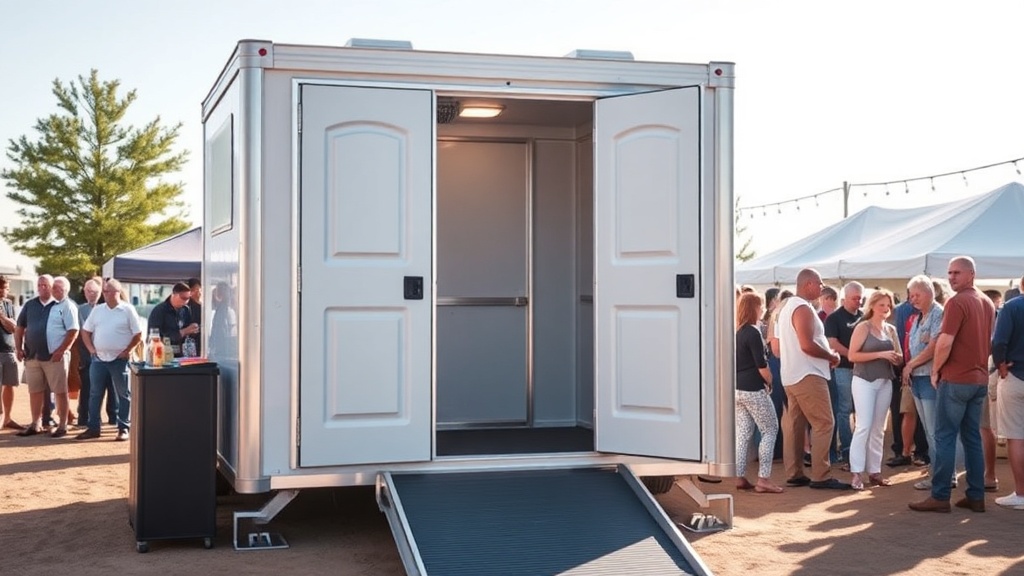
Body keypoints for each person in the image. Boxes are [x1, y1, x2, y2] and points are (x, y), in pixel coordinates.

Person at [909, 256, 995, 513]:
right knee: (971, 438)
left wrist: (935, 370)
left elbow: (945, 341)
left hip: (956, 379)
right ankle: (976, 496)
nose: (951, 277)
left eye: (957, 272)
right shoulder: (987, 301)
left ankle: (940, 495)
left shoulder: (957, 302)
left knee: (944, 437)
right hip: (978, 380)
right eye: (949, 273)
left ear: (971, 274)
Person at [778, 268, 849, 490]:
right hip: (807, 374)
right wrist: (831, 356)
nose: (822, 288)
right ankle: (821, 474)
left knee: (796, 425)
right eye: (819, 283)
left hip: (792, 374)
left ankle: (795, 472)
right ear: (808, 284)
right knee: (824, 423)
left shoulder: (788, 307)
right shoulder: (802, 308)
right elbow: (807, 345)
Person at [902, 275, 962, 492]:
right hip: (918, 379)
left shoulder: (938, 313)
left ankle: (945, 476)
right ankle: (940, 472)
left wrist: (910, 365)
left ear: (929, 292)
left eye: (917, 295)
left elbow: (934, 346)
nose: (913, 299)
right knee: (929, 430)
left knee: (936, 430)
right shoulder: (920, 316)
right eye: (911, 296)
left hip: (929, 378)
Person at [846, 289, 902, 490]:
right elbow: (852, 356)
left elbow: (899, 356)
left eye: (888, 305)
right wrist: (881, 354)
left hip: (885, 381)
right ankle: (856, 472)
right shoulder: (863, 327)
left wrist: (895, 358)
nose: (886, 309)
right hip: (864, 381)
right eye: (882, 305)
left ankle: (875, 471)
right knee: (863, 426)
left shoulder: (890, 330)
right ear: (872, 306)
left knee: (879, 428)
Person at [76, 278, 142, 441]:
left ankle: (123, 427)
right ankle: (93, 427)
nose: (104, 294)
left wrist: (128, 350)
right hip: (99, 359)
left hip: (119, 360)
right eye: (104, 291)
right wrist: (92, 350)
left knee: (123, 394)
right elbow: (85, 331)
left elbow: (138, 333)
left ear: (117, 292)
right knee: (94, 394)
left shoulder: (127, 310)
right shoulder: (98, 310)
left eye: (107, 291)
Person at [14, 275, 79, 438]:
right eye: (39, 285)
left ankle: (63, 425)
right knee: (34, 391)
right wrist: (18, 348)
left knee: (60, 391)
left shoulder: (61, 305)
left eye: (46, 285)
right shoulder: (30, 305)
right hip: (32, 356)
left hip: (54, 357)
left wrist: (61, 350)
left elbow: (73, 331)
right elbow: (19, 327)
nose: (42, 288)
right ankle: (35, 423)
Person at [734, 292, 783, 494]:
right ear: (754, 308)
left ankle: (739, 476)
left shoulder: (737, 332)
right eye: (760, 306)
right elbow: (761, 365)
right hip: (754, 388)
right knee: (770, 430)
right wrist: (770, 381)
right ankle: (764, 479)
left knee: (743, 433)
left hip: (738, 389)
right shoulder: (753, 333)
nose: (762, 309)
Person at [993, 275, 1024, 509]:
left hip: (1014, 376)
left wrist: (1001, 366)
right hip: (1013, 374)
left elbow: (998, 342)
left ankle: (1021, 493)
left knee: (1016, 437)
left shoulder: (1012, 307)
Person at [824, 281, 864, 465]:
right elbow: (832, 343)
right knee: (844, 409)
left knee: (860, 409)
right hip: (843, 369)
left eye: (860, 298)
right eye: (855, 298)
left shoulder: (864, 317)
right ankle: (847, 448)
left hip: (862, 369)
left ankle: (858, 446)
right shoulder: (834, 318)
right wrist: (853, 356)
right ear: (845, 298)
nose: (858, 302)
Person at [75, 278, 117, 428]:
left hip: (108, 355)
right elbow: (79, 333)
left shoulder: (107, 309)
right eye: (88, 291)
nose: (91, 294)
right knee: (88, 389)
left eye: (95, 291)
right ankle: (84, 418)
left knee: (112, 388)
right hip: (87, 356)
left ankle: (114, 418)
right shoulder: (79, 309)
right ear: (84, 292)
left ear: (100, 293)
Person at [147, 282, 199, 357]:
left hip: (181, 354)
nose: (186, 301)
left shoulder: (185, 310)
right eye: (183, 298)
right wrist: (182, 332)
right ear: (174, 294)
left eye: (188, 298)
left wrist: (193, 330)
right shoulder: (159, 311)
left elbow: (188, 332)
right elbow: (154, 336)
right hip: (162, 355)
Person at [0, 276, 25, 430]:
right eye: (3, 288)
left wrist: (1, 317)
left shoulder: (8, 304)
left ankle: (7, 418)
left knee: (9, 384)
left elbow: (13, 327)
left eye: (7, 288)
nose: (5, 291)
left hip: (8, 350)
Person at [187, 277, 203, 356]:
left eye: (199, 290)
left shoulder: (201, 306)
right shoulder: (187, 307)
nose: (198, 293)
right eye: (195, 290)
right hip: (190, 342)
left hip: (201, 341)